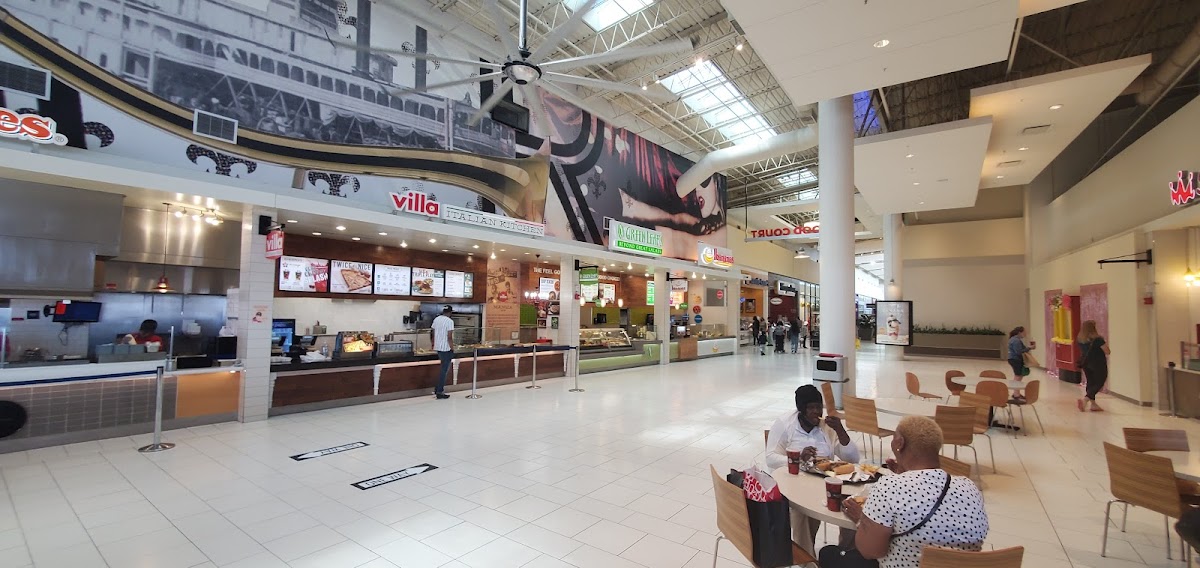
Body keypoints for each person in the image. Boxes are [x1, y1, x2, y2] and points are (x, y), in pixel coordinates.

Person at [833, 416, 988, 568]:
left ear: (899, 443)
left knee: (831, 554)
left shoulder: (888, 486)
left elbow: (870, 551)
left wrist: (861, 519)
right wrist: (904, 474)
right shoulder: (969, 487)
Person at [767, 385, 860, 555]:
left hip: (824, 481)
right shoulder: (785, 424)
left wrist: (840, 431)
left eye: (819, 406)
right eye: (811, 407)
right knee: (802, 513)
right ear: (801, 409)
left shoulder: (826, 427)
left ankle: (845, 555)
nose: (816, 412)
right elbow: (770, 457)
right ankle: (807, 560)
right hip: (795, 482)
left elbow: (853, 459)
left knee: (853, 508)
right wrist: (797, 459)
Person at [1077, 320, 1110, 412]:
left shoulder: (1080, 339)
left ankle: (1093, 405)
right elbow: (1107, 351)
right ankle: (1085, 400)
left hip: (1086, 363)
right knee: (1099, 381)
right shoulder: (1098, 339)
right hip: (1098, 363)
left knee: (1090, 382)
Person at [430, 307, 455, 400]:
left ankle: (437, 389)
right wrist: (452, 348)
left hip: (438, 347)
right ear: (450, 312)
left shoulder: (436, 319)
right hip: (446, 348)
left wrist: (433, 344)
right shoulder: (450, 321)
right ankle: (439, 391)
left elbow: (432, 333)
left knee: (442, 369)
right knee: (444, 371)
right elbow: (449, 337)